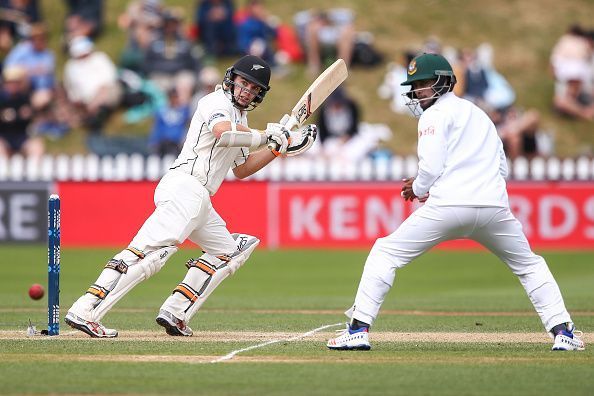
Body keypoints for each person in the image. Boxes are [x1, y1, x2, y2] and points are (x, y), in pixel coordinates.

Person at [327, 53, 585, 352]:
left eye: (423, 83)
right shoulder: (479, 114)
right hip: (493, 208)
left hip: (448, 206)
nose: (417, 90)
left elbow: (431, 166)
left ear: (444, 81)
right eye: (414, 85)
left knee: (384, 253)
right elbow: (502, 168)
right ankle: (563, 332)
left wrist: (418, 187)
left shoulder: (433, 116)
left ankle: (358, 329)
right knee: (530, 266)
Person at [64, 55, 316, 338]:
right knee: (151, 251)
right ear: (232, 80)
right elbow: (223, 134)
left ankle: (175, 311)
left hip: (201, 199)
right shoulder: (214, 102)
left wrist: (276, 149)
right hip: (184, 186)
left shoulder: (242, 119)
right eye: (244, 82)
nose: (247, 90)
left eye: (255, 88)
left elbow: (243, 169)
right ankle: (86, 309)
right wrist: (265, 135)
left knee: (230, 250)